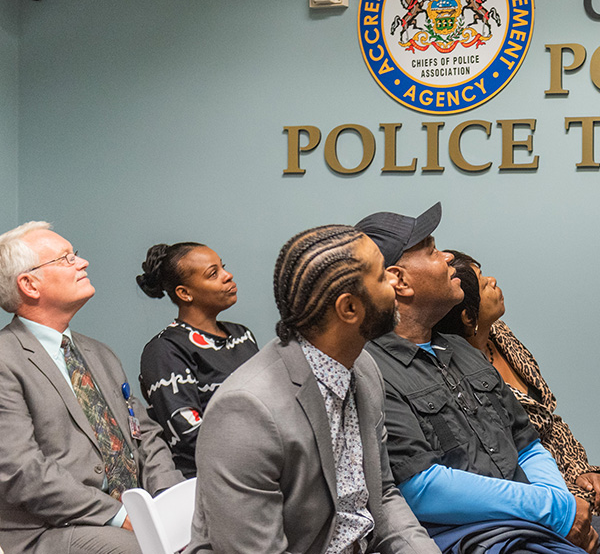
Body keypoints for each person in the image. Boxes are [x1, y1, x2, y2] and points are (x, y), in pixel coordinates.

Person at [356, 204, 600, 554]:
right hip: (470, 533)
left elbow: (526, 443)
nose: (448, 256)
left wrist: (558, 505)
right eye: (432, 250)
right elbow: (423, 488)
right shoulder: (371, 368)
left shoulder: (462, 351)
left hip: (533, 516)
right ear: (398, 281)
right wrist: (550, 509)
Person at [185, 224, 438, 554]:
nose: (394, 281)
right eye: (380, 276)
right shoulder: (246, 411)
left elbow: (383, 492)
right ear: (349, 309)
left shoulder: (363, 367)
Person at [431, 250, 600, 534]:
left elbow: (549, 419)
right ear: (468, 317)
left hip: (568, 473)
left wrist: (586, 471)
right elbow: (507, 462)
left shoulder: (500, 336)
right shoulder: (458, 375)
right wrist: (584, 494)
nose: (494, 281)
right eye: (484, 284)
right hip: (536, 494)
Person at [0, 221, 183, 554]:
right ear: (29, 284)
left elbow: (146, 436)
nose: (82, 263)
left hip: (130, 513)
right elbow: (22, 470)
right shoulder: (5, 359)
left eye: (76, 255)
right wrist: (123, 516)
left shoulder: (101, 354)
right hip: (49, 529)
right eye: (66, 258)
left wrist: (171, 502)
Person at [135, 241, 258, 478]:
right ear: (185, 293)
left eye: (223, 267)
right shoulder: (165, 350)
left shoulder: (242, 335)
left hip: (266, 472)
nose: (228, 275)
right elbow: (189, 434)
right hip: (213, 483)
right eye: (214, 274)